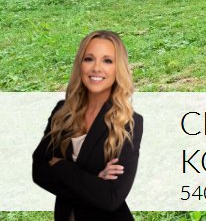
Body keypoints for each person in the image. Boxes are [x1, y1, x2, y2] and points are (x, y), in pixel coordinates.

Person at [32, 30, 142, 220]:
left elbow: (111, 198)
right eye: (89, 59)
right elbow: (39, 172)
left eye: (107, 61)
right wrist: (94, 181)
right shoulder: (62, 112)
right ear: (80, 65)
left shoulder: (128, 122)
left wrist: (60, 166)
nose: (96, 68)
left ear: (118, 69)